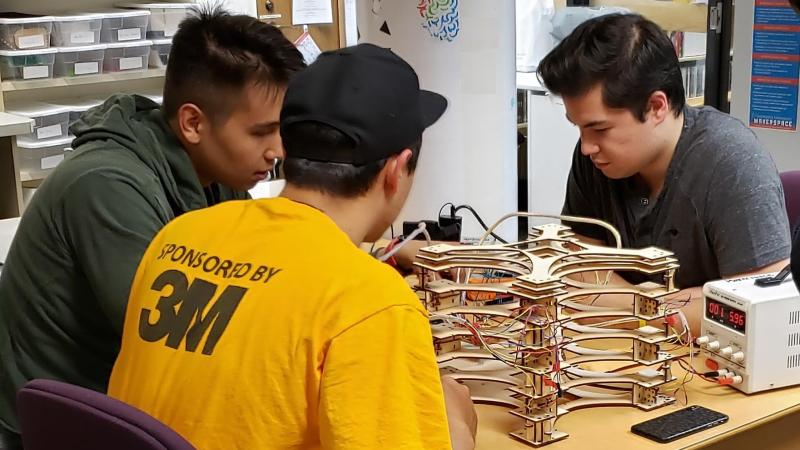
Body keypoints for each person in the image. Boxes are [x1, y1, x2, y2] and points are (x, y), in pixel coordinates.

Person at [107, 43, 477, 449]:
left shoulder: (179, 236)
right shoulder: (371, 303)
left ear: (287, 147)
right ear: (395, 170)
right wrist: (457, 427)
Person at [0, 8, 305, 448]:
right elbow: (176, 338)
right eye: (262, 133)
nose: (277, 151)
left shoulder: (216, 176)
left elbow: (257, 266)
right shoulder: (106, 186)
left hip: (134, 394)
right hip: (65, 420)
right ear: (193, 123)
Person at [536, 14, 790, 334]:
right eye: (580, 128)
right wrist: (656, 304)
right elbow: (574, 273)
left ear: (657, 106)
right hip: (618, 356)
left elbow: (762, 308)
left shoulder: (732, 163)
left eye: (599, 128)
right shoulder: (595, 157)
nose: (587, 147)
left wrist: (623, 304)